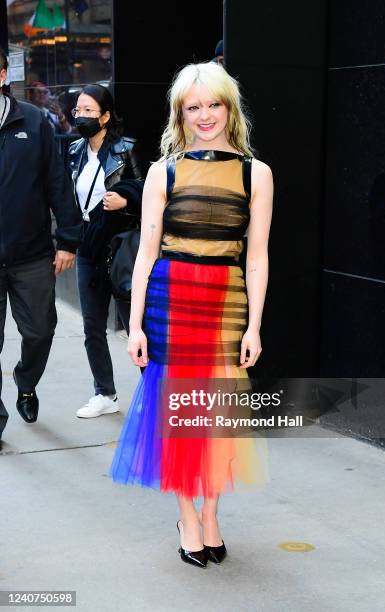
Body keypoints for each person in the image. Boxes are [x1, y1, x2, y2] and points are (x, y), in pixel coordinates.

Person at [110, 62, 273, 567]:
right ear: (180, 114)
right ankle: (188, 515)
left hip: (226, 301)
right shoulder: (164, 170)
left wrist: (255, 325)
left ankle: (212, 513)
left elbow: (258, 255)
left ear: (230, 108)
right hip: (171, 300)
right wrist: (135, 324)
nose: (205, 115)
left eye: (213, 104)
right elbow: (145, 253)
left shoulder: (256, 173)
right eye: (193, 107)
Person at [0, 48, 82, 447]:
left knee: (40, 331)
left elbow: (56, 182)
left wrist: (67, 239)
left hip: (31, 253)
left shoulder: (33, 122)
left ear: (3, 75)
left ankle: (26, 380)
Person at [68, 84, 143, 419]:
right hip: (88, 246)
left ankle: (154, 396)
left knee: (134, 325)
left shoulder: (127, 149)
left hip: (122, 247)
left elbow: (149, 189)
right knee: (92, 325)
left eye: (88, 111)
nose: (81, 116)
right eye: (78, 111)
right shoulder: (73, 150)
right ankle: (104, 393)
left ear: (106, 115)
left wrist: (127, 198)